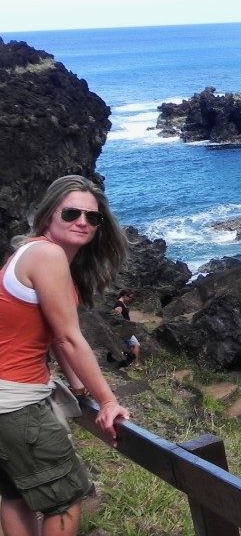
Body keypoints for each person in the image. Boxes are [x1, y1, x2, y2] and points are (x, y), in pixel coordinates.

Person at [0, 175, 132, 536]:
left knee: (15, 495)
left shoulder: (30, 251)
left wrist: (77, 386)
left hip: (6, 400)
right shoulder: (48, 254)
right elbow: (70, 338)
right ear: (47, 216)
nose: (83, 222)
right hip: (16, 403)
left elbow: (53, 339)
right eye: (71, 212)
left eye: (93, 217)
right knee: (65, 498)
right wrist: (107, 402)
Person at [112, 290, 141, 367]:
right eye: (130, 297)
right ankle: (135, 364)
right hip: (124, 329)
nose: (130, 299)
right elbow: (116, 317)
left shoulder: (121, 304)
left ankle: (130, 363)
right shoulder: (119, 304)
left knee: (131, 346)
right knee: (136, 345)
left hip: (126, 328)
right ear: (124, 296)